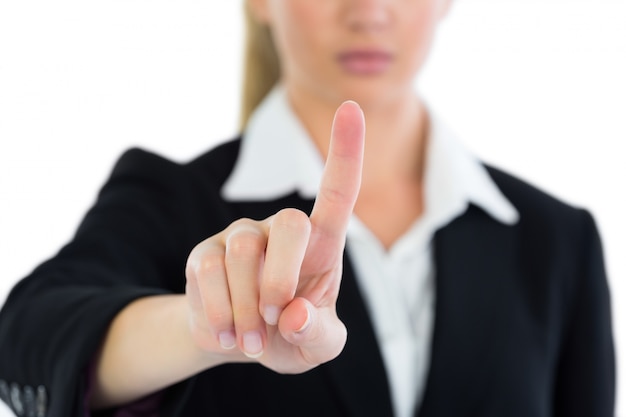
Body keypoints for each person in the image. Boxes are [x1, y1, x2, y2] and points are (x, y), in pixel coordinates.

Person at [0, 0, 615, 416]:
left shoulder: (556, 239)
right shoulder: (170, 201)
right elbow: (25, 339)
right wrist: (206, 325)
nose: (369, 12)